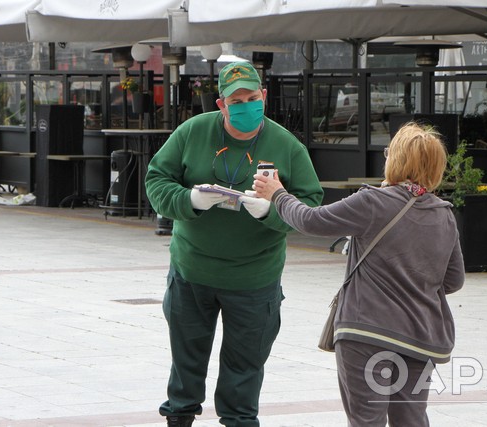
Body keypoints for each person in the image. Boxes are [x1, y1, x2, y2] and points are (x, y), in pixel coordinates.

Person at [144, 61, 323, 427]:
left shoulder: (287, 146)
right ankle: (179, 419)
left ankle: (239, 421)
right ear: (221, 105)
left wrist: (271, 210)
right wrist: (189, 199)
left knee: (244, 370)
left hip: (254, 279)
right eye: (236, 101)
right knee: (186, 362)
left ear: (264, 97)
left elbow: (311, 205)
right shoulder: (192, 132)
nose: (245, 107)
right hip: (192, 272)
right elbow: (156, 180)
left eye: (252, 98)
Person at [253, 122, 465, 427]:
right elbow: (454, 280)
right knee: (412, 421)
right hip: (421, 337)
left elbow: (310, 221)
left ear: (397, 160)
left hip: (367, 332)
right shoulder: (444, 213)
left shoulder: (373, 202)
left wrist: (278, 194)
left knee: (367, 421)